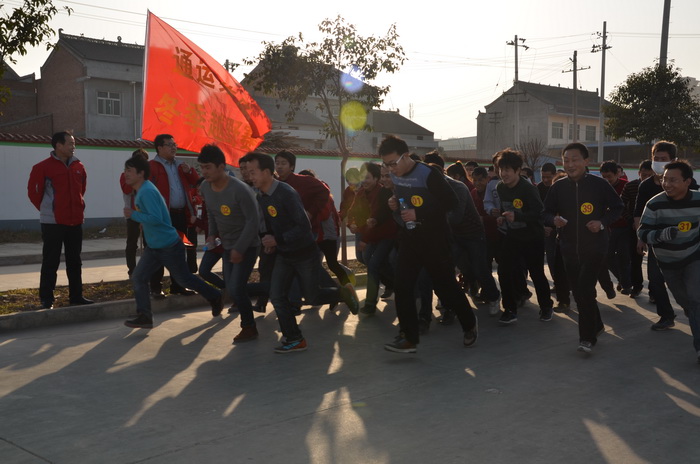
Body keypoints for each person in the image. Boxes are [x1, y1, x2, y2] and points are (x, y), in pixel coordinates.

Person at [246, 152, 359, 353]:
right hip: (284, 254)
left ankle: (342, 292)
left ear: (265, 172)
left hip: (304, 253)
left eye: (252, 172)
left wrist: (277, 239)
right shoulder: (260, 196)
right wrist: (268, 238)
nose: (249, 176)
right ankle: (295, 338)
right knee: (278, 296)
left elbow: (303, 226)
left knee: (313, 297)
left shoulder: (286, 193)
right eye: (247, 171)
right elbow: (268, 223)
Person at [379, 135, 478, 353]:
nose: (391, 169)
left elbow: (450, 203)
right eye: (386, 165)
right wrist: (394, 204)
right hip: (410, 238)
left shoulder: (428, 173)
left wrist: (419, 213)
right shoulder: (395, 176)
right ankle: (408, 337)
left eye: (393, 163)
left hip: (435, 238)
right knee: (402, 286)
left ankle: (469, 323)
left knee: (446, 286)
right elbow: (404, 201)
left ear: (406, 156)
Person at [122, 155, 223, 329]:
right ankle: (144, 316)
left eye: (129, 171)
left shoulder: (147, 191)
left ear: (141, 173)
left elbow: (156, 218)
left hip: (168, 245)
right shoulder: (143, 190)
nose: (126, 174)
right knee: (139, 277)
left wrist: (134, 215)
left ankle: (214, 295)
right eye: (125, 170)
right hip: (155, 246)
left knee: (184, 279)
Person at [543, 143, 624, 354]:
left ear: (586, 162)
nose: (570, 164)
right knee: (579, 293)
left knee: (585, 290)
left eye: (575, 159)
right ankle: (596, 325)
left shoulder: (599, 185)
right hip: (569, 248)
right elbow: (545, 213)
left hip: (595, 247)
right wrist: (554, 219)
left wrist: (602, 222)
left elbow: (618, 208)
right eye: (566, 160)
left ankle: (586, 339)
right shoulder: (558, 187)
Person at [638, 160, 700, 363]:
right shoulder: (655, 204)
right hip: (667, 263)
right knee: (686, 304)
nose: (667, 184)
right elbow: (643, 232)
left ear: (687, 181)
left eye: (673, 180)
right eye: (665, 179)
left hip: (693, 258)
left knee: (695, 300)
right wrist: (661, 234)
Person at [198, 145, 261, 343]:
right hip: (227, 246)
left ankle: (249, 326)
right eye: (202, 167)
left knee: (235, 288)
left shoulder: (240, 190)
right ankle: (275, 288)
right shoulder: (205, 187)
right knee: (234, 288)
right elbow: (212, 213)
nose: (204, 172)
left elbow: (253, 221)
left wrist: (239, 249)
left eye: (208, 167)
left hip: (248, 245)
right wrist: (211, 234)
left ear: (221, 167)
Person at [27, 131, 93, 309]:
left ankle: (76, 296)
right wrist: (48, 210)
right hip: (52, 222)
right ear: (58, 145)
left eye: (74, 143)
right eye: (70, 143)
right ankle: (46, 298)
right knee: (51, 261)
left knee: (75, 260)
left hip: (75, 220)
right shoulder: (43, 167)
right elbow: (34, 193)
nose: (73, 146)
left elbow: (82, 189)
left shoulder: (79, 166)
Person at [493, 149, 553, 324]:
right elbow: (508, 211)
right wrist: (501, 217)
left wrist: (518, 216)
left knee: (536, 274)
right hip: (513, 236)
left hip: (533, 238)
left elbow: (539, 213)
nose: (503, 174)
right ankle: (510, 309)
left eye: (507, 170)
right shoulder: (500, 187)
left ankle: (546, 307)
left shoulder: (528, 189)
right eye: (501, 170)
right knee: (504, 271)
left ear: (518, 170)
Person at [148, 134, 201, 298]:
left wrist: (190, 171)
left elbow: (197, 183)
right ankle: (156, 287)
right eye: (169, 144)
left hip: (180, 214)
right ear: (160, 148)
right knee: (159, 251)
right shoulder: (151, 167)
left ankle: (178, 285)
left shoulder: (180, 166)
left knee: (179, 251)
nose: (174, 147)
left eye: (174, 144)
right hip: (161, 216)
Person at [353, 162, 397, 315]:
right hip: (371, 234)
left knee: (373, 264)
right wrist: (351, 222)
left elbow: (379, 217)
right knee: (367, 259)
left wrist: (364, 238)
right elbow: (354, 211)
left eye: (367, 177)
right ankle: (393, 284)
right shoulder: (360, 193)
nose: (364, 181)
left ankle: (371, 302)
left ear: (376, 179)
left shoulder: (382, 192)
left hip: (386, 235)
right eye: (362, 177)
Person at [537, 162, 571, 310]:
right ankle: (560, 290)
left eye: (548, 177)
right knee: (553, 260)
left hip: (569, 234)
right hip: (549, 231)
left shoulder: (564, 188)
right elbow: (542, 211)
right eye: (543, 177)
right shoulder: (538, 189)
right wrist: (546, 225)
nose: (545, 180)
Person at [620, 160, 654, 297]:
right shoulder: (630, 186)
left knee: (654, 263)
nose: (645, 178)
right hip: (634, 228)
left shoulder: (659, 187)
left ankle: (654, 291)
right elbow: (621, 206)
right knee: (635, 259)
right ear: (639, 173)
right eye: (643, 175)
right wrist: (631, 221)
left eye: (648, 175)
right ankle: (637, 286)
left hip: (654, 228)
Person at [599, 160, 632, 295]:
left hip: (624, 227)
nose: (607, 180)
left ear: (617, 174)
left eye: (609, 177)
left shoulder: (626, 186)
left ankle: (626, 284)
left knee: (623, 256)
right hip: (608, 228)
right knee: (607, 257)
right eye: (604, 177)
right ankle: (622, 279)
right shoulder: (599, 188)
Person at [120, 148, 149, 278]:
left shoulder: (148, 177)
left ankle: (148, 269)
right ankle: (132, 270)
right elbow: (127, 190)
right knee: (132, 243)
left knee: (149, 243)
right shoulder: (125, 175)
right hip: (132, 213)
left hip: (147, 214)